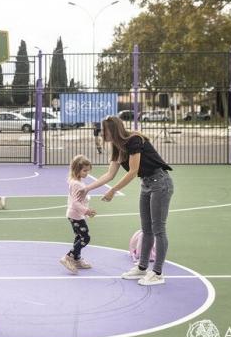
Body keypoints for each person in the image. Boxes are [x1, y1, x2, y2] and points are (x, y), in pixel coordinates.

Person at [81, 116, 173, 286]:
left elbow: (133, 171)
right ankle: (142, 267)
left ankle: (158, 273)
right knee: (147, 229)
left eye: (104, 130)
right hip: (146, 184)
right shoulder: (117, 147)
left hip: (160, 183)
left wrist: (113, 190)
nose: (102, 133)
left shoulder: (134, 140)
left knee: (158, 229)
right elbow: (109, 174)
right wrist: (87, 188)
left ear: (113, 130)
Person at [59, 155, 97, 274]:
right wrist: (86, 211)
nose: (87, 173)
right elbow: (75, 202)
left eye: (88, 170)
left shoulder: (76, 181)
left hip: (76, 215)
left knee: (79, 237)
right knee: (85, 238)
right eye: (84, 170)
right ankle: (68, 257)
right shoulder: (77, 184)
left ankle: (76, 259)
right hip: (76, 215)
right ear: (77, 170)